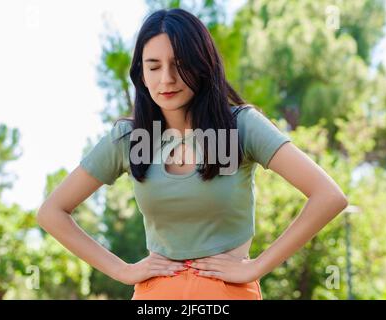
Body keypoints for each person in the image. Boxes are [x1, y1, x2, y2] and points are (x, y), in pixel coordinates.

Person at [36, 8, 348, 300]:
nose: (167, 79)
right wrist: (123, 270)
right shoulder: (128, 138)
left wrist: (256, 267)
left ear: (202, 65)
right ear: (140, 74)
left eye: (180, 64)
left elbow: (328, 196)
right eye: (154, 66)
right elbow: (52, 212)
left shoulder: (241, 126)